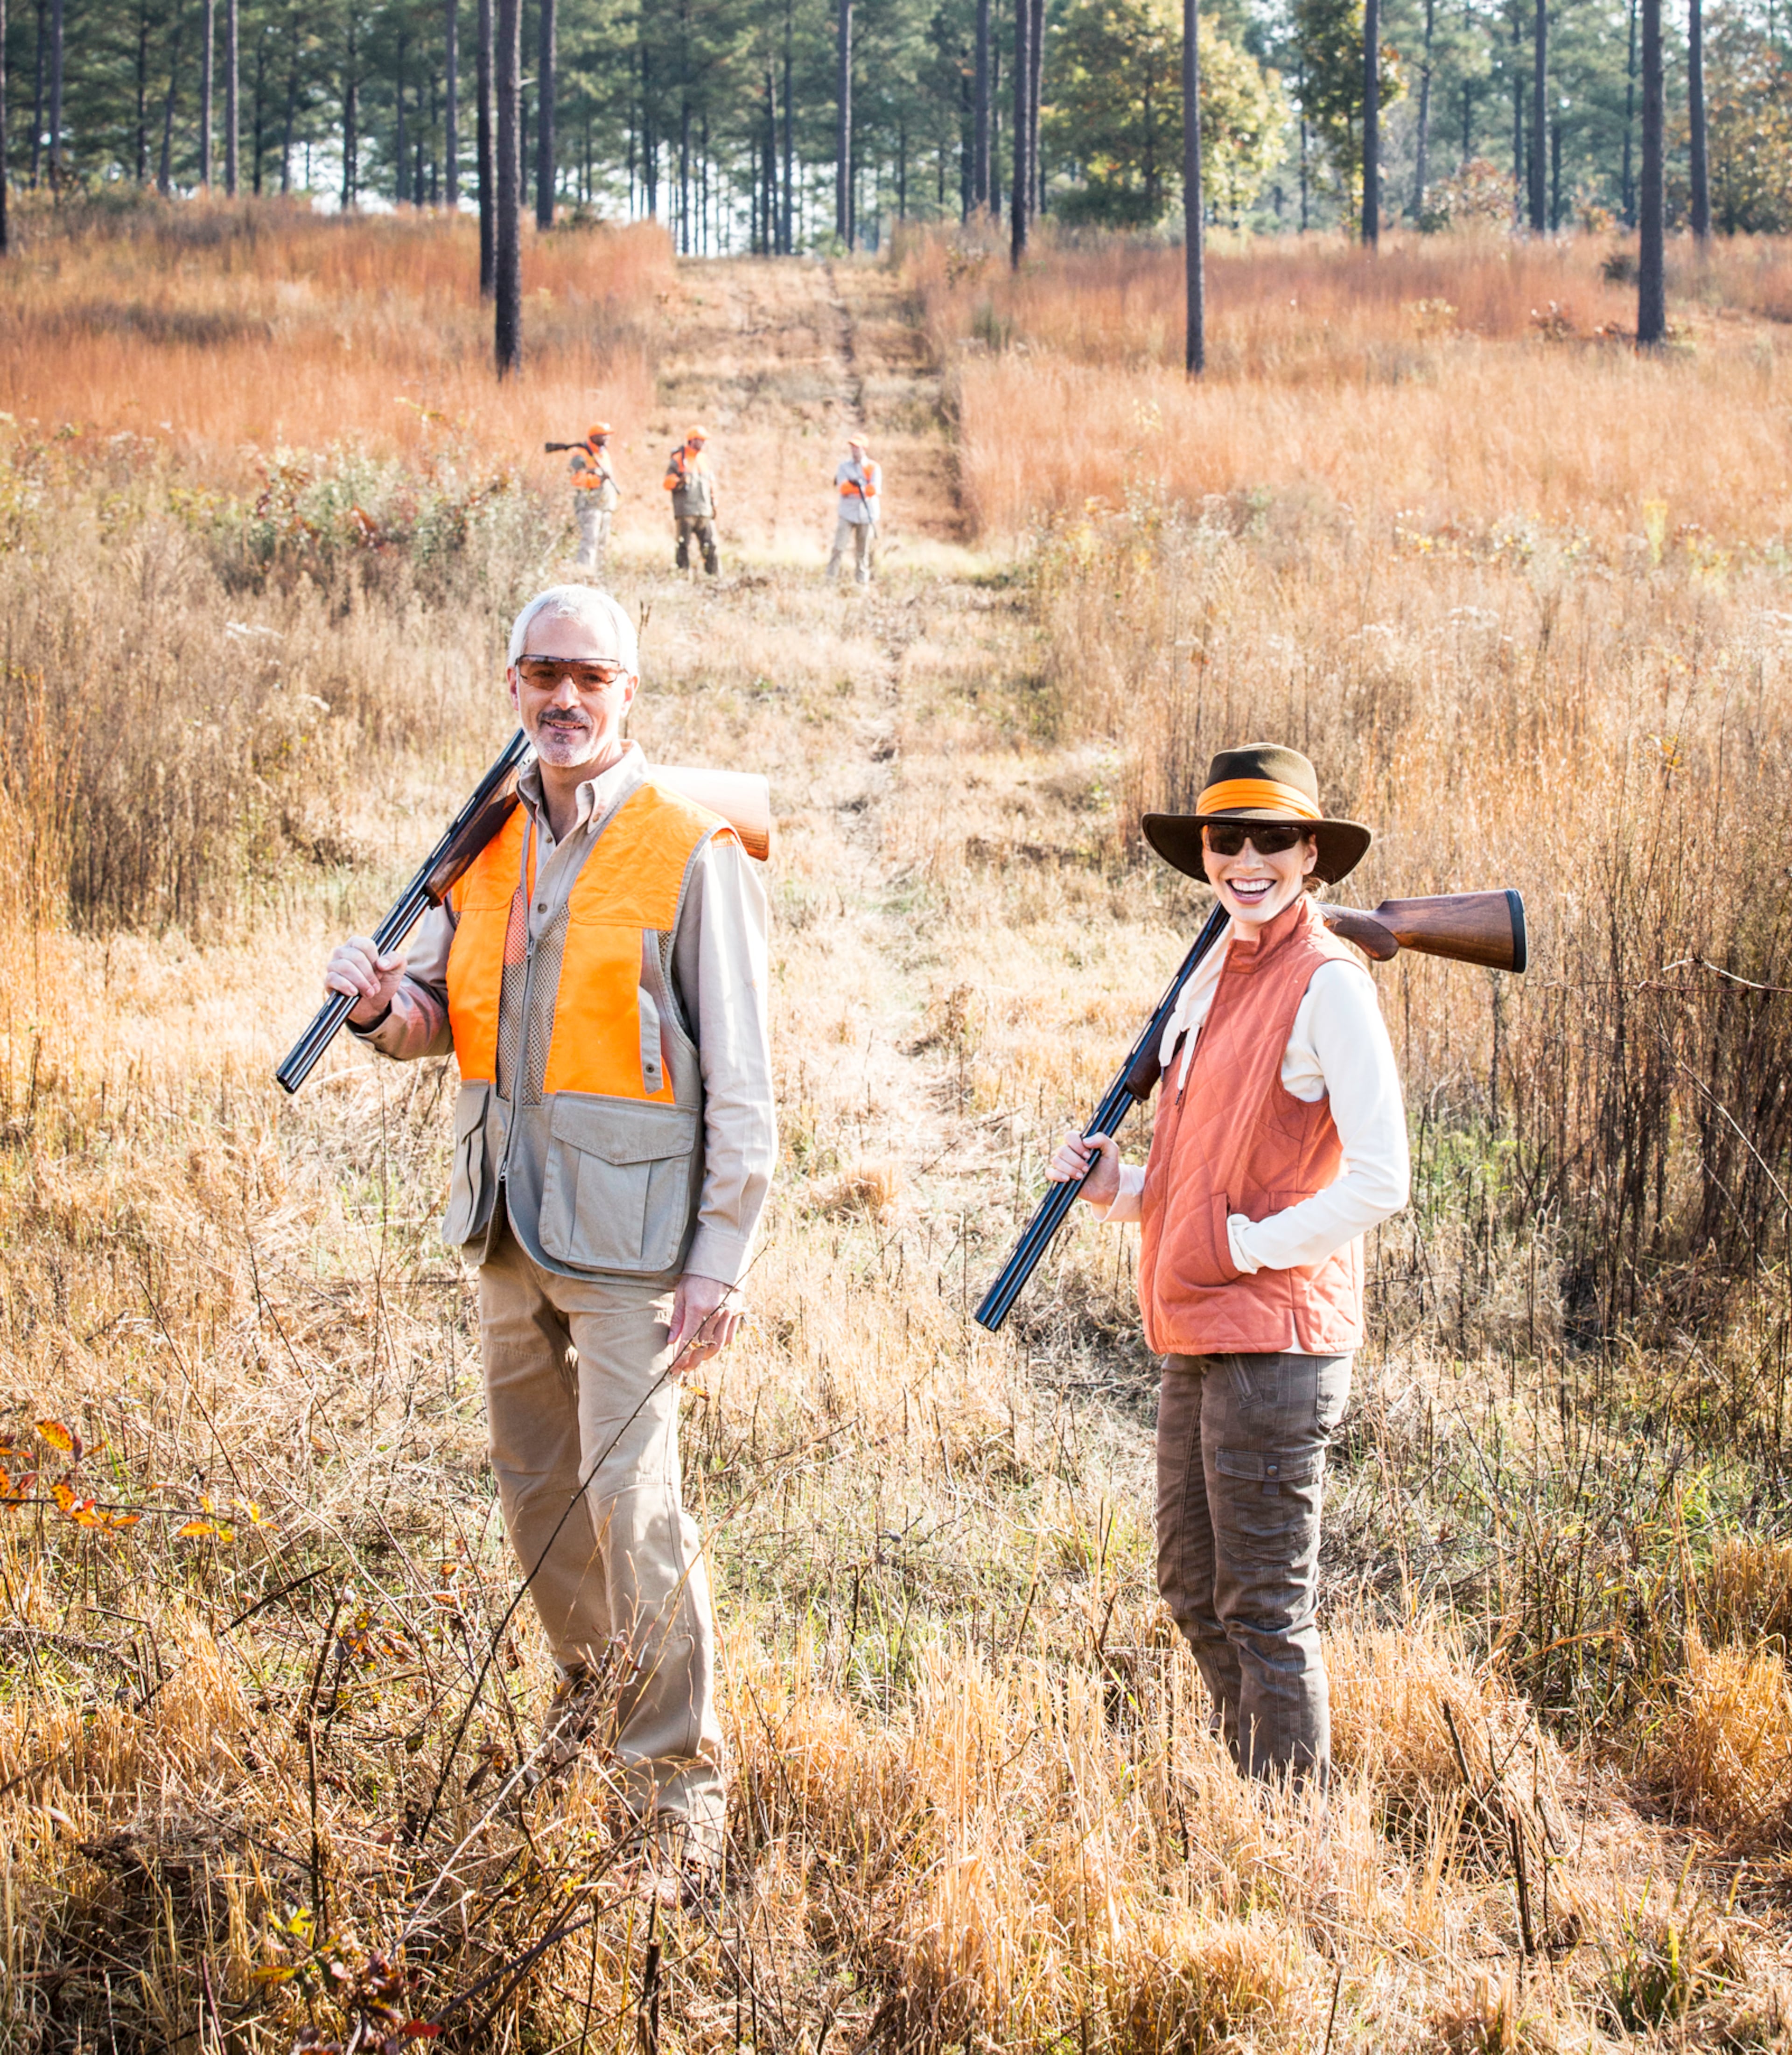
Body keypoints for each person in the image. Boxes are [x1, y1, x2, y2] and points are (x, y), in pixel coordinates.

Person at [322, 585, 775, 1890]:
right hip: (510, 1223)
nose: (563, 698)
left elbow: (744, 1079)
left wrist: (720, 1258)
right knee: (536, 1505)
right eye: (540, 675)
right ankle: (590, 1706)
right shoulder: (490, 845)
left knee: (635, 1514)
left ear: (629, 690)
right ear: (511, 684)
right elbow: (449, 1026)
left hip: (638, 1248)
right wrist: (375, 1007)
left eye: (590, 676)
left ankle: (678, 1788)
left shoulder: (693, 848)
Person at [1045, 744, 1408, 1789]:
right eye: (1225, 840)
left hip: (1276, 1344)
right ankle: (1261, 1793)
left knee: (1264, 1608)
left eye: (1274, 840)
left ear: (1312, 854)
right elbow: (1219, 1166)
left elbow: (1381, 1180)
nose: (1247, 860)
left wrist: (1252, 1249)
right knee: (1192, 1587)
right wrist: (1123, 1188)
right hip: (1199, 1329)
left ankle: (1297, 1845)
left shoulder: (1329, 983)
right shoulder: (1216, 972)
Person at [662, 426, 719, 576]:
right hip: (686, 511)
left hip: (705, 511)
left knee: (710, 545)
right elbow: (667, 483)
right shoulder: (679, 459)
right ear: (692, 440)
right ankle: (682, 574)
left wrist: (714, 504)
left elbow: (711, 485)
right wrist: (678, 481)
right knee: (683, 545)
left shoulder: (704, 459)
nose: (704, 443)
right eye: (701, 440)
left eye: (704, 440)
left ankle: (713, 576)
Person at [826, 435, 880, 587]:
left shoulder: (873, 467)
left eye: (857, 447)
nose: (854, 450)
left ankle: (862, 584)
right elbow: (843, 488)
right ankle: (830, 581)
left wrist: (855, 487)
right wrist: (860, 487)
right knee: (838, 548)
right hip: (847, 514)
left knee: (862, 552)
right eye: (852, 447)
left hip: (867, 515)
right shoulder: (844, 467)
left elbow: (873, 490)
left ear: (865, 448)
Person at [568, 422, 619, 573]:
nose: (608, 438)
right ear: (595, 437)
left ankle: (597, 574)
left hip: (605, 505)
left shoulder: (604, 454)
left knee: (602, 542)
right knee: (590, 540)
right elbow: (575, 479)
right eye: (605, 435)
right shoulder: (581, 454)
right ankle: (585, 574)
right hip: (589, 505)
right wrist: (597, 479)